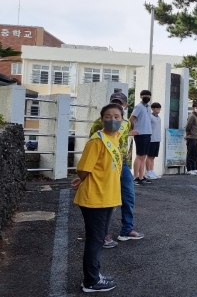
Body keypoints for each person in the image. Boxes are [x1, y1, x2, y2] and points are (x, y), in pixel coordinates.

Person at [72, 103, 123, 292]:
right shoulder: (97, 141)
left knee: (99, 238)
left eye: (117, 116)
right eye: (108, 116)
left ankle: (94, 274)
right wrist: (81, 178)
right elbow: (84, 168)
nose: (113, 120)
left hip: (107, 197)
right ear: (102, 120)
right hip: (95, 198)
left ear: (122, 119)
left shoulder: (115, 138)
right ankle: (91, 281)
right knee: (95, 239)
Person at [89, 93, 144, 249]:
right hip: (106, 166)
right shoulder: (98, 123)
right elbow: (92, 143)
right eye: (114, 102)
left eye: (120, 103)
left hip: (123, 165)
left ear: (125, 106)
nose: (118, 105)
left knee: (128, 196)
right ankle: (103, 234)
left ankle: (127, 229)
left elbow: (124, 138)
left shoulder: (126, 123)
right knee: (107, 200)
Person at [130, 90, 153, 185]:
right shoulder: (139, 106)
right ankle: (135, 177)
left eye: (148, 95)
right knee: (139, 156)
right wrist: (132, 130)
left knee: (143, 156)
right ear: (140, 96)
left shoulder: (148, 107)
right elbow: (131, 119)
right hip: (140, 134)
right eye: (144, 95)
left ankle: (141, 176)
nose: (146, 96)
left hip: (147, 133)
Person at [145, 102, 162, 180]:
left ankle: (152, 170)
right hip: (151, 139)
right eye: (157, 108)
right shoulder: (150, 117)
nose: (158, 110)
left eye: (159, 108)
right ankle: (148, 171)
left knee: (153, 156)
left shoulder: (158, 117)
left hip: (157, 139)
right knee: (149, 156)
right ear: (152, 108)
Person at [185, 103, 197, 175]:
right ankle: (189, 169)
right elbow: (188, 126)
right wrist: (188, 134)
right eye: (196, 107)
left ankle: (194, 168)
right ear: (193, 108)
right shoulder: (192, 116)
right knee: (190, 154)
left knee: (195, 154)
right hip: (192, 138)